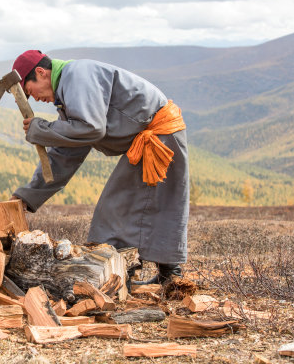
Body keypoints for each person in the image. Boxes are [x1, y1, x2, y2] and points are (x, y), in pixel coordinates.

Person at [10, 50, 189, 285]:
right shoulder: (69, 92)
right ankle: (163, 278)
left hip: (159, 138)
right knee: (144, 206)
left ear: (41, 73)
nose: (33, 98)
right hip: (151, 139)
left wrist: (41, 129)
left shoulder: (76, 76)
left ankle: (122, 279)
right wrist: (26, 197)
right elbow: (64, 155)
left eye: (29, 91)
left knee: (117, 209)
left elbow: (91, 128)